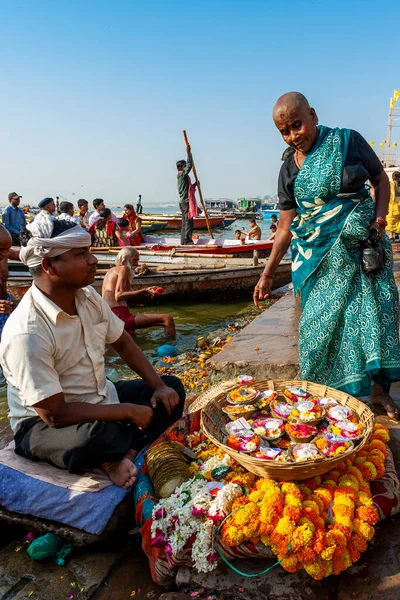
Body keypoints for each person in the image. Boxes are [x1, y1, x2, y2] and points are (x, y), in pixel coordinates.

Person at [0, 221, 184, 489]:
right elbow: (54, 415)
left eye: (88, 251)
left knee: (171, 389)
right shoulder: (27, 332)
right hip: (46, 424)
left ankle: (125, 454)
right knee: (93, 437)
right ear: (49, 265)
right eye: (80, 254)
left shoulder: (88, 298)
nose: (93, 260)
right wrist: (128, 411)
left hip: (98, 397)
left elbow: (123, 343)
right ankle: (116, 452)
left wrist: (157, 386)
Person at [253, 91, 400, 418]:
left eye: (297, 125)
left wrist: (379, 219)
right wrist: (266, 274)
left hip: (365, 250)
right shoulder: (288, 171)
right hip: (317, 261)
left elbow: (380, 180)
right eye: (285, 131)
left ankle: (379, 393)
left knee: (375, 315)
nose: (293, 136)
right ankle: (326, 393)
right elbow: (285, 227)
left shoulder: (348, 142)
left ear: (313, 116)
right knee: (318, 328)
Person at [102, 247, 176, 337]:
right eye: (134, 260)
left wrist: (147, 292)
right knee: (167, 319)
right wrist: (144, 290)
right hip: (119, 316)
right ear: (125, 259)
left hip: (111, 317)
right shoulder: (124, 268)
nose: (137, 264)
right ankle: (173, 349)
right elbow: (119, 296)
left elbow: (120, 297)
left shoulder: (110, 271)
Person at [0, 225, 20, 340]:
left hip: (5, 306)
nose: (5, 254)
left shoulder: (5, 253)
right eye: (1, 250)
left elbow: (23, 254)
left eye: (7, 249)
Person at [176, 145, 199, 245]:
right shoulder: (181, 174)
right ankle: (187, 240)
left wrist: (194, 185)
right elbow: (190, 165)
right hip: (185, 201)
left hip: (184, 201)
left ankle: (184, 240)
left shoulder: (182, 177)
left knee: (186, 221)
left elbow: (187, 189)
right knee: (188, 221)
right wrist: (189, 154)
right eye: (184, 165)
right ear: (182, 167)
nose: (186, 167)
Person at [387, 171, 400, 241]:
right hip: (393, 205)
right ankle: (392, 236)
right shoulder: (391, 185)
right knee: (392, 221)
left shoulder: (391, 185)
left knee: (394, 221)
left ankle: (394, 236)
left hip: (394, 205)